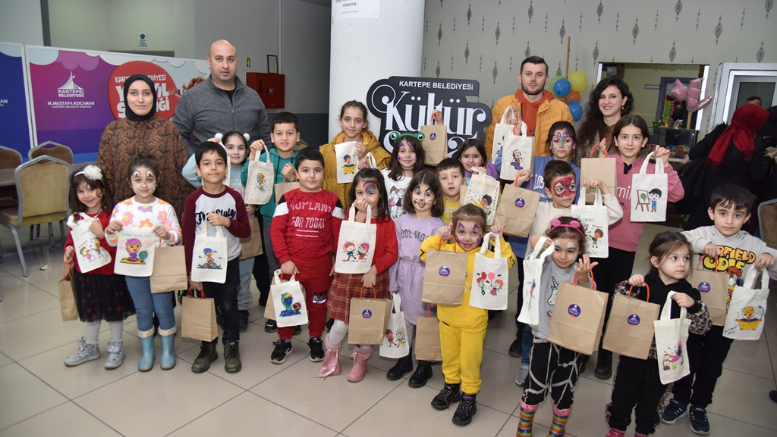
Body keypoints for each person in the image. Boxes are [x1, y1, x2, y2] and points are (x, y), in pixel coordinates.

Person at [661, 185, 777, 434]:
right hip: (694, 314)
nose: (729, 220)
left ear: (748, 218)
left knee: (712, 366)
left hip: (728, 319)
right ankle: (680, 399)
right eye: (723, 213)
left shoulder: (754, 244)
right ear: (711, 212)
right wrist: (702, 245)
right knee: (686, 358)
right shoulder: (701, 233)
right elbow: (674, 241)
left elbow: (774, 264)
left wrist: (771, 259)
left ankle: (699, 405)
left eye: (738, 215)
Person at [589, 115, 684, 380]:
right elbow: (586, 194)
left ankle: (605, 354)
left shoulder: (651, 168)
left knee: (616, 300)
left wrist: (666, 166)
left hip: (626, 245)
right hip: (597, 241)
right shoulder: (606, 161)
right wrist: (594, 167)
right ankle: (585, 346)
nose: (629, 143)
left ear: (644, 141)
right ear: (616, 140)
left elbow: (677, 195)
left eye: (636, 137)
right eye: (624, 137)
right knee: (594, 296)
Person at [514, 160, 622, 384]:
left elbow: (615, 214)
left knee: (566, 317)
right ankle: (527, 362)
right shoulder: (539, 208)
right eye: (560, 188)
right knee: (531, 322)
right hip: (540, 279)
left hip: (569, 278)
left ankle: (562, 363)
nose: (567, 193)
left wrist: (602, 187)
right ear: (547, 191)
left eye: (572, 186)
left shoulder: (582, 211)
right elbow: (513, 214)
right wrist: (517, 185)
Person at [605, 232, 711, 437]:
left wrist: (694, 307)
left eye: (686, 258)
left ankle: (642, 432)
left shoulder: (689, 293)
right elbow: (617, 302)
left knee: (651, 403)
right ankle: (617, 428)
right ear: (656, 261)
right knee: (622, 396)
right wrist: (629, 285)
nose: (682, 264)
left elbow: (702, 328)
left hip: (665, 361)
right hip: (632, 354)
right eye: (674, 258)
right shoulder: (644, 285)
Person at [420, 205, 515, 426]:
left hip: (474, 322)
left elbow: (508, 263)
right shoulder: (447, 249)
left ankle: (469, 396)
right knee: (450, 357)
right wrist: (439, 237)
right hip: (447, 318)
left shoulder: (487, 255)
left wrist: (499, 240)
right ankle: (451, 386)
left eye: (474, 232)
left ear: (483, 233)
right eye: (461, 231)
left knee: (470, 362)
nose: (468, 238)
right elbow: (424, 253)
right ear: (453, 230)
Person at [506, 121, 581, 359]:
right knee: (529, 304)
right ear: (549, 143)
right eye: (556, 140)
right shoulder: (536, 163)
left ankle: (553, 354)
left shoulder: (577, 197)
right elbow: (512, 206)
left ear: (574, 144)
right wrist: (517, 181)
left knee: (556, 308)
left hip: (563, 268)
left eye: (567, 140)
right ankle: (526, 352)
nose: (561, 145)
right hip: (534, 262)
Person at [517, 217, 597, 437]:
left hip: (571, 343)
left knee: (564, 389)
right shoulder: (543, 264)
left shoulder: (582, 273)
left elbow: (589, 300)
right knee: (534, 385)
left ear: (580, 251)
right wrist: (539, 242)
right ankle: (524, 425)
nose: (563, 256)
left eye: (571, 251)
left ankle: (557, 429)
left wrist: (582, 278)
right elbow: (532, 250)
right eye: (558, 249)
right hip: (543, 337)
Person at [319, 168, 398, 382]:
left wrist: (374, 269)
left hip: (372, 280)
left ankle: (361, 360)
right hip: (348, 278)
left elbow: (392, 253)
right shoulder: (350, 217)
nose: (365, 198)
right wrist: (360, 215)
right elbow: (346, 241)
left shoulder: (387, 223)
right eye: (360, 193)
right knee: (341, 324)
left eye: (370, 192)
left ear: (380, 194)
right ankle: (331, 354)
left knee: (366, 324)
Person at [104, 156, 182, 371]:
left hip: (161, 268)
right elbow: (113, 241)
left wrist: (168, 235)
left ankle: (167, 350)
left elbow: (177, 235)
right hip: (134, 269)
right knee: (143, 309)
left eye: (149, 179)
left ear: (157, 181)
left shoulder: (165, 208)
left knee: (164, 308)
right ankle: (147, 351)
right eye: (138, 179)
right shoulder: (122, 208)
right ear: (130, 183)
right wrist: (110, 230)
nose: (144, 184)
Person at [269, 147, 344, 364]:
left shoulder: (333, 201)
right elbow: (276, 232)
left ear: (323, 172)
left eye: (317, 170)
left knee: (318, 305)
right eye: (305, 170)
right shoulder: (286, 199)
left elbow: (340, 235)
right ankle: (284, 339)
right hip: (291, 266)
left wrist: (339, 260)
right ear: (297, 173)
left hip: (320, 267)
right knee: (287, 303)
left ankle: (315, 337)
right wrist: (284, 259)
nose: (311, 176)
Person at [183, 141, 251, 374]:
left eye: (219, 163)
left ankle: (231, 345)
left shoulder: (234, 198)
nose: (213, 168)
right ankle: (207, 347)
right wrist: (191, 272)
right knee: (207, 305)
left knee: (229, 305)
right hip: (202, 266)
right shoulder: (193, 200)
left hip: (229, 261)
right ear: (198, 170)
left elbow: (245, 232)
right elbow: (188, 238)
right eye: (207, 163)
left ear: (226, 168)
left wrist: (227, 222)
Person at [63, 165, 135, 369]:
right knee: (91, 312)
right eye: (80, 191)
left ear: (102, 190)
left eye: (91, 189)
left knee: (113, 312)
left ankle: (116, 345)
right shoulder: (77, 218)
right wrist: (69, 250)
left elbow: (119, 247)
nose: (87, 195)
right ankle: (91, 345)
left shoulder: (112, 217)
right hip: (85, 274)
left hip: (109, 274)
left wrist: (102, 234)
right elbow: (71, 240)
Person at [98, 74, 190, 218]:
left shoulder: (168, 129)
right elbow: (105, 174)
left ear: (154, 96)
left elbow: (182, 171)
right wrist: (106, 212)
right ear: (125, 97)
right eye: (134, 93)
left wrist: (187, 210)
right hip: (124, 215)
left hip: (165, 215)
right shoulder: (113, 130)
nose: (140, 99)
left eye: (146, 93)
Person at [242, 112, 301, 333]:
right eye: (279, 133)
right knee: (274, 268)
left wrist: (295, 178)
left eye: (289, 133)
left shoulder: (302, 159)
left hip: (296, 224)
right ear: (272, 137)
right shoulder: (265, 157)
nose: (284, 138)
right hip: (269, 220)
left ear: (297, 136)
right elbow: (246, 180)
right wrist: (252, 155)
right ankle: (277, 312)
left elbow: (312, 186)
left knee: (295, 267)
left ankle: (294, 315)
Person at [386, 170, 444, 387]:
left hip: (425, 277)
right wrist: (393, 282)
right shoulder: (401, 222)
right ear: (410, 195)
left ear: (435, 199)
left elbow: (440, 261)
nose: (422, 198)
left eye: (428, 194)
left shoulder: (438, 226)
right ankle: (404, 358)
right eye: (417, 192)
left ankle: (424, 364)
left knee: (425, 320)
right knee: (404, 319)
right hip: (404, 274)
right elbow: (395, 254)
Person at [172, 39, 271, 157]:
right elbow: (177, 136)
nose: (225, 65)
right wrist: (198, 159)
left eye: (230, 59)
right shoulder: (191, 97)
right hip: (211, 168)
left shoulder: (252, 96)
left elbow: (266, 136)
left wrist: (268, 162)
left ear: (236, 62)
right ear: (208, 62)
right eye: (219, 59)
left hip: (251, 167)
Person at [683, 104, 771, 230]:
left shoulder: (719, 135)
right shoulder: (756, 145)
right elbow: (756, 175)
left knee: (699, 232)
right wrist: (768, 159)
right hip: (735, 198)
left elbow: (694, 153)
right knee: (727, 232)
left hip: (707, 193)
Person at [484, 56, 573, 160]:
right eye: (528, 74)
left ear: (547, 79)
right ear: (519, 77)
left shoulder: (561, 109)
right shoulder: (503, 105)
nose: (533, 79)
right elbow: (491, 142)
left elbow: (568, 148)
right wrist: (491, 169)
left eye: (539, 75)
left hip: (547, 169)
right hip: (508, 169)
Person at [320, 100, 391, 208]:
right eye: (347, 119)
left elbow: (382, 186)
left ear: (364, 123)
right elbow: (320, 183)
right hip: (332, 210)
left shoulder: (379, 154)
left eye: (358, 121)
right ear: (340, 120)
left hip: (364, 211)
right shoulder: (326, 151)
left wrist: (365, 159)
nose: (352, 125)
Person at [575, 76, 634, 164]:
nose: (606, 102)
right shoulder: (587, 132)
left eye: (612, 96)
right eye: (602, 97)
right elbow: (578, 164)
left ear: (624, 100)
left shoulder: (634, 131)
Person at [382, 132, 425, 221]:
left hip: (410, 228)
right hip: (388, 227)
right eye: (402, 151)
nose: (407, 155)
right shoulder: (385, 174)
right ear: (395, 153)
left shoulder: (423, 180)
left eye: (412, 151)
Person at [436, 158, 467, 224]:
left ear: (464, 181)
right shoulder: (436, 203)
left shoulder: (468, 201)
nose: (450, 181)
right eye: (444, 178)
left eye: (455, 176)